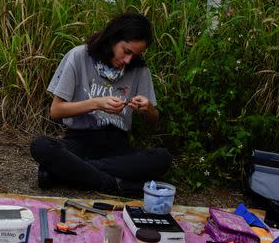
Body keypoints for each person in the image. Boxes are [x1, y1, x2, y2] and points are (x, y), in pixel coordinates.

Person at [30, 12, 172, 198]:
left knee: (162, 158)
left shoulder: (140, 69)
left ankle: (65, 173)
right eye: (126, 51)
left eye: (135, 55)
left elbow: (153, 120)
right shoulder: (79, 56)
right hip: (79, 141)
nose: (128, 60)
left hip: (118, 146)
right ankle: (115, 184)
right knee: (41, 145)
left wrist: (148, 109)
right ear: (113, 38)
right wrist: (96, 103)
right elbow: (56, 111)